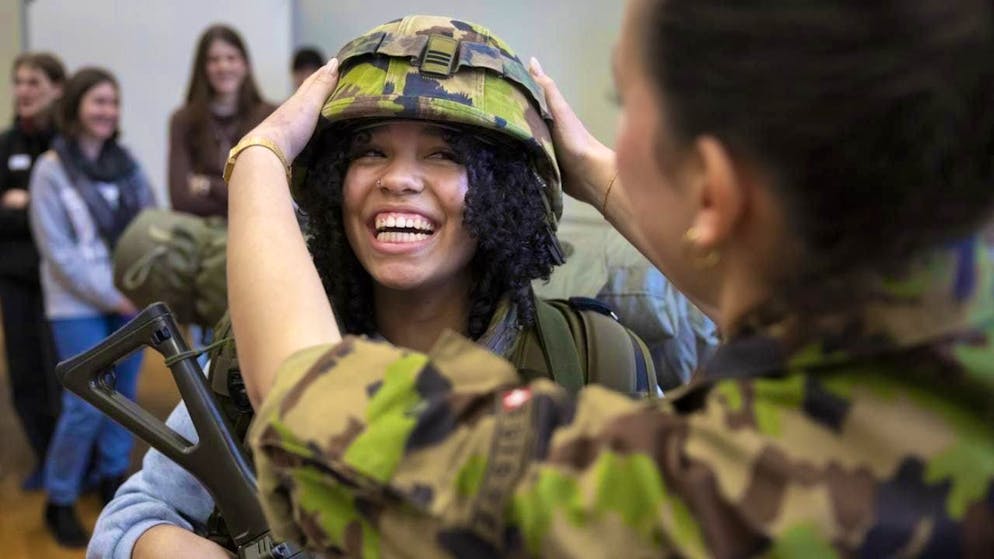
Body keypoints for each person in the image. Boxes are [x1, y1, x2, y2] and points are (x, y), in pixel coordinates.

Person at [230, 0, 994, 556]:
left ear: (716, 189)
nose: (599, 147)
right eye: (372, 151)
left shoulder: (703, 484)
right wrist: (594, 171)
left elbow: (307, 393)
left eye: (626, 108)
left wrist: (259, 158)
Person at [90, 15, 669, 559]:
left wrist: (596, 169)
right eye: (371, 151)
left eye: (445, 154)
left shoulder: (593, 362)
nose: (398, 179)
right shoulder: (245, 360)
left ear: (503, 192)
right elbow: (130, 520)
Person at [29, 67, 156, 548]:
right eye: (98, 101)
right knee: (84, 405)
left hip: (128, 298)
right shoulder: (50, 169)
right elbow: (58, 254)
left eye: (113, 103)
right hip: (75, 303)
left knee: (122, 401)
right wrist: (116, 294)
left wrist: (144, 283)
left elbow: (152, 222)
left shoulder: (127, 163)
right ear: (76, 105)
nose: (107, 112)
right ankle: (59, 498)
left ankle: (110, 479)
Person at [0, 51, 65, 491]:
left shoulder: (69, 144)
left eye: (34, 83)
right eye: (18, 82)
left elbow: (69, 218)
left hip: (63, 283)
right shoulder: (6, 146)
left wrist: (25, 205)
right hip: (16, 280)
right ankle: (46, 457)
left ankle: (72, 463)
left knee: (63, 374)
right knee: (26, 376)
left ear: (57, 90)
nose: (23, 91)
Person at [168, 24, 274, 218]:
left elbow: (272, 192)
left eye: (231, 58)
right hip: (202, 233)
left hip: (257, 226)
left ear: (245, 65)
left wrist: (207, 185)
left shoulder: (270, 116)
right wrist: (242, 195)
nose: (223, 66)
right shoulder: (183, 120)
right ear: (203, 68)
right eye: (214, 60)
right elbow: (180, 199)